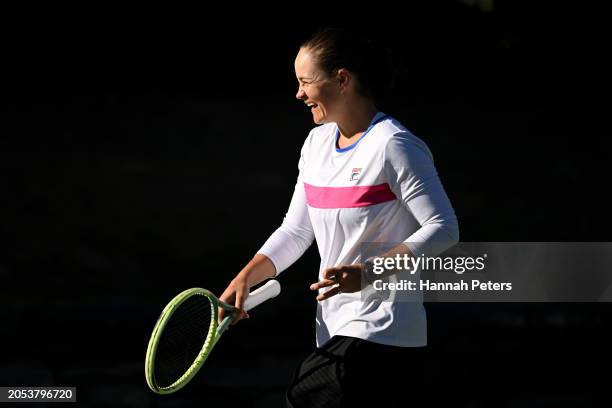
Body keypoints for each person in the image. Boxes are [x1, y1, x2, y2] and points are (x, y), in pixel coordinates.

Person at [218, 28, 459, 407]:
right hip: (334, 331)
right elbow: (296, 231)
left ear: (342, 80)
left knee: (304, 395)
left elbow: (444, 229)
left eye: (306, 82)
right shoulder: (315, 145)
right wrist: (246, 278)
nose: (298, 93)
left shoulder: (394, 145)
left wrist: (368, 274)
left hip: (384, 333)